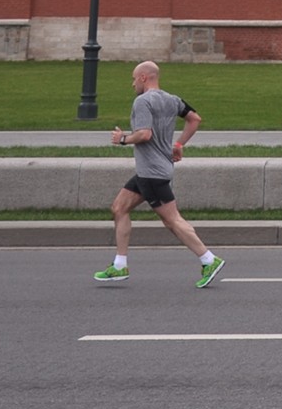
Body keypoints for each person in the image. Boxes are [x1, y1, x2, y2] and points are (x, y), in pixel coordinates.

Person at [94, 60, 225, 288]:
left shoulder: (143, 101)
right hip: (151, 171)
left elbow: (144, 134)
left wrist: (122, 139)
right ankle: (119, 265)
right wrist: (179, 144)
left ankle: (209, 259)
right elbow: (195, 119)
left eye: (134, 78)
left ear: (144, 77)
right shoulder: (172, 100)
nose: (132, 83)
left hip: (152, 174)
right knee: (119, 208)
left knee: (172, 220)